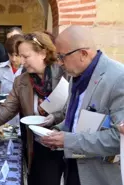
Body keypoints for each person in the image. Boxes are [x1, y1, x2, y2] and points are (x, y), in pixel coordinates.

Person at [0, 32, 66, 185]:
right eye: (19, 56)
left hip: (68, 143)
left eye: (26, 56)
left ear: (42, 53)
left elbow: (75, 109)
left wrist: (56, 117)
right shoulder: (22, 81)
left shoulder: (65, 74)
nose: (21, 61)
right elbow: (6, 109)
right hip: (39, 145)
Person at [42, 26, 124, 185]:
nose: (59, 63)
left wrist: (68, 141)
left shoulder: (118, 79)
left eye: (62, 56)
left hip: (99, 175)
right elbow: (76, 120)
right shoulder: (77, 75)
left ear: (83, 54)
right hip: (73, 166)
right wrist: (58, 131)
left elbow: (118, 138)